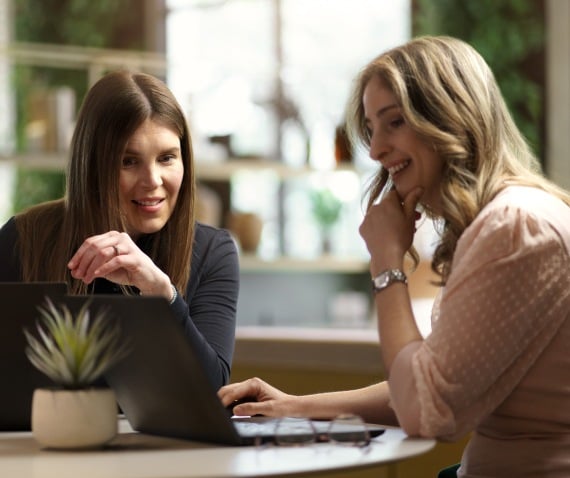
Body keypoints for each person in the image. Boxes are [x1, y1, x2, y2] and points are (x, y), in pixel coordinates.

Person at [218, 36, 570, 477]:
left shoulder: (515, 226)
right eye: (373, 128)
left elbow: (426, 410)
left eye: (395, 122)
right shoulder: (510, 218)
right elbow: (428, 382)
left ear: (450, 117)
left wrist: (387, 263)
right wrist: (294, 405)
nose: (375, 150)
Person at [0, 70, 239, 390]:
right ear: (92, 165)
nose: (153, 180)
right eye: (129, 161)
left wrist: (161, 292)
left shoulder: (212, 252)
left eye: (167, 158)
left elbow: (211, 389)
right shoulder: (24, 239)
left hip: (162, 443)